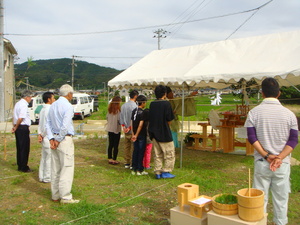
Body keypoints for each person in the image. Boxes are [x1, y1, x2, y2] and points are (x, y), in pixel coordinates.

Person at [244, 77, 298, 225]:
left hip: (262, 161)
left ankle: (259, 221)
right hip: (282, 163)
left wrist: (266, 155)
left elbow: (251, 137)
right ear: (279, 93)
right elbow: (293, 140)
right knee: (281, 199)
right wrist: (279, 157)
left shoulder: (254, 113)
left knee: (260, 198)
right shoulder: (289, 114)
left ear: (262, 93)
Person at [46, 84, 79, 204]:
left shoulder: (53, 105)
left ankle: (55, 195)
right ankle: (65, 197)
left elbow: (48, 123)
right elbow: (65, 126)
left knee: (55, 169)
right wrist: (58, 139)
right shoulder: (68, 106)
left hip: (55, 138)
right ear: (69, 94)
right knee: (66, 168)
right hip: (64, 140)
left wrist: (51, 138)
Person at [148, 85, 176, 179]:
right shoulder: (166, 104)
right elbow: (169, 119)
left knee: (157, 154)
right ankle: (166, 171)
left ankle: (158, 171)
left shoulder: (152, 104)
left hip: (153, 132)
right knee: (169, 153)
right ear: (165, 94)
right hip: (164, 132)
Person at [11, 90, 34, 172]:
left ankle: (20, 165)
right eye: (30, 97)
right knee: (24, 147)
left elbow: (14, 116)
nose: (30, 99)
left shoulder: (17, 104)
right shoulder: (24, 105)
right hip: (22, 127)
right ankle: (24, 166)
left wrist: (14, 126)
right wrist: (16, 126)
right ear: (27, 97)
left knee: (20, 147)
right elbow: (21, 117)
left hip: (18, 127)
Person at [38, 92, 56, 183]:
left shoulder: (42, 109)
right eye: (53, 98)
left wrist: (40, 134)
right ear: (49, 99)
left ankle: (41, 175)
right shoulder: (49, 109)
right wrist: (43, 134)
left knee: (44, 157)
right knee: (49, 158)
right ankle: (47, 177)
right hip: (47, 137)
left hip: (43, 135)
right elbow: (46, 125)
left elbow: (40, 124)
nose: (54, 99)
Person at [119, 90, 139, 168]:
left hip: (125, 128)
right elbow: (134, 119)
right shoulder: (135, 106)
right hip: (132, 129)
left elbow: (121, 117)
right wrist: (130, 127)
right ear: (135, 96)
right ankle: (132, 162)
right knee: (134, 146)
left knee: (127, 146)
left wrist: (124, 127)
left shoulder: (123, 106)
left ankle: (126, 162)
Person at [131, 95, 148, 175]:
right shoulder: (142, 112)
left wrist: (133, 134)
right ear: (143, 103)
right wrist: (137, 134)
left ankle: (133, 167)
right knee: (141, 151)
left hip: (134, 133)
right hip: (141, 134)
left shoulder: (134, 111)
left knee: (135, 150)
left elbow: (131, 122)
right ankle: (139, 169)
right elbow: (140, 125)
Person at [106, 96, 122, 165]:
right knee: (116, 145)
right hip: (116, 129)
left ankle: (110, 158)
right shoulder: (118, 111)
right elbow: (120, 120)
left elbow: (107, 118)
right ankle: (114, 159)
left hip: (110, 129)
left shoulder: (109, 110)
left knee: (110, 144)